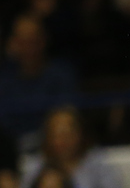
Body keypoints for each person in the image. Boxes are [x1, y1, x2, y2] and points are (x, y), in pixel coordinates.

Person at [19, 106, 127, 188]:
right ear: (48, 136)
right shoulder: (36, 167)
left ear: (80, 134)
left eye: (67, 133)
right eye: (57, 134)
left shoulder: (97, 164)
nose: (63, 140)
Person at [0, 14, 78, 149]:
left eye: (32, 41)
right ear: (13, 43)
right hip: (10, 150)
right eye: (22, 42)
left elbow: (66, 116)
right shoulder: (4, 78)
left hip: (54, 148)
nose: (28, 48)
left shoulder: (61, 74)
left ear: (43, 40)